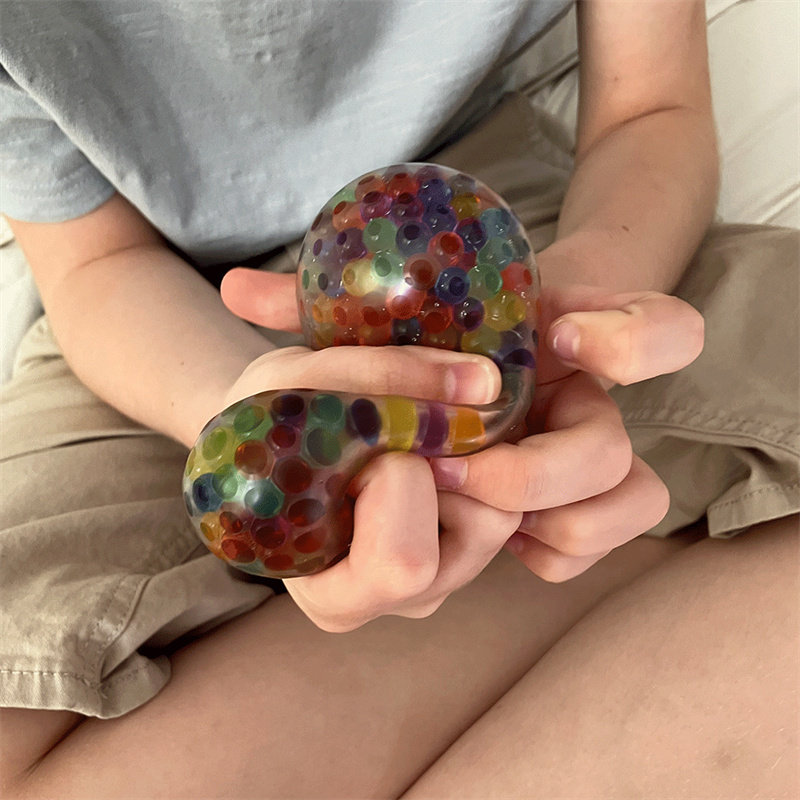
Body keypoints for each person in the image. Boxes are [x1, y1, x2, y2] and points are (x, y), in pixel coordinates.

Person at [0, 0, 796, 797]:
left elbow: (649, 106)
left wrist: (569, 309)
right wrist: (246, 403)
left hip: (506, 241)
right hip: (155, 318)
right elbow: (93, 262)